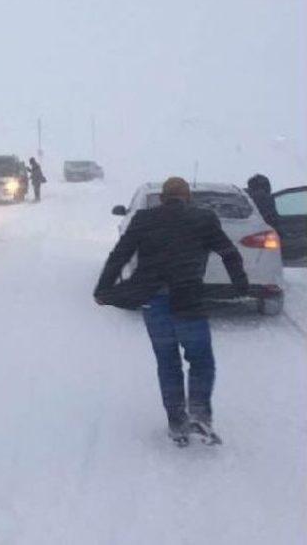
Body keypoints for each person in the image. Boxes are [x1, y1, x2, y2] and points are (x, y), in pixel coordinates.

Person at [93, 176, 249, 445]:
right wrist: (240, 285)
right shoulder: (204, 218)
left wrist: (103, 289)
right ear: (187, 197)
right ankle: (199, 413)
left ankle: (177, 422)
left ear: (163, 198)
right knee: (201, 360)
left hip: (155, 302)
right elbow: (229, 253)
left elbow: (119, 255)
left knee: (168, 362)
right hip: (189, 300)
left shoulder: (144, 219)